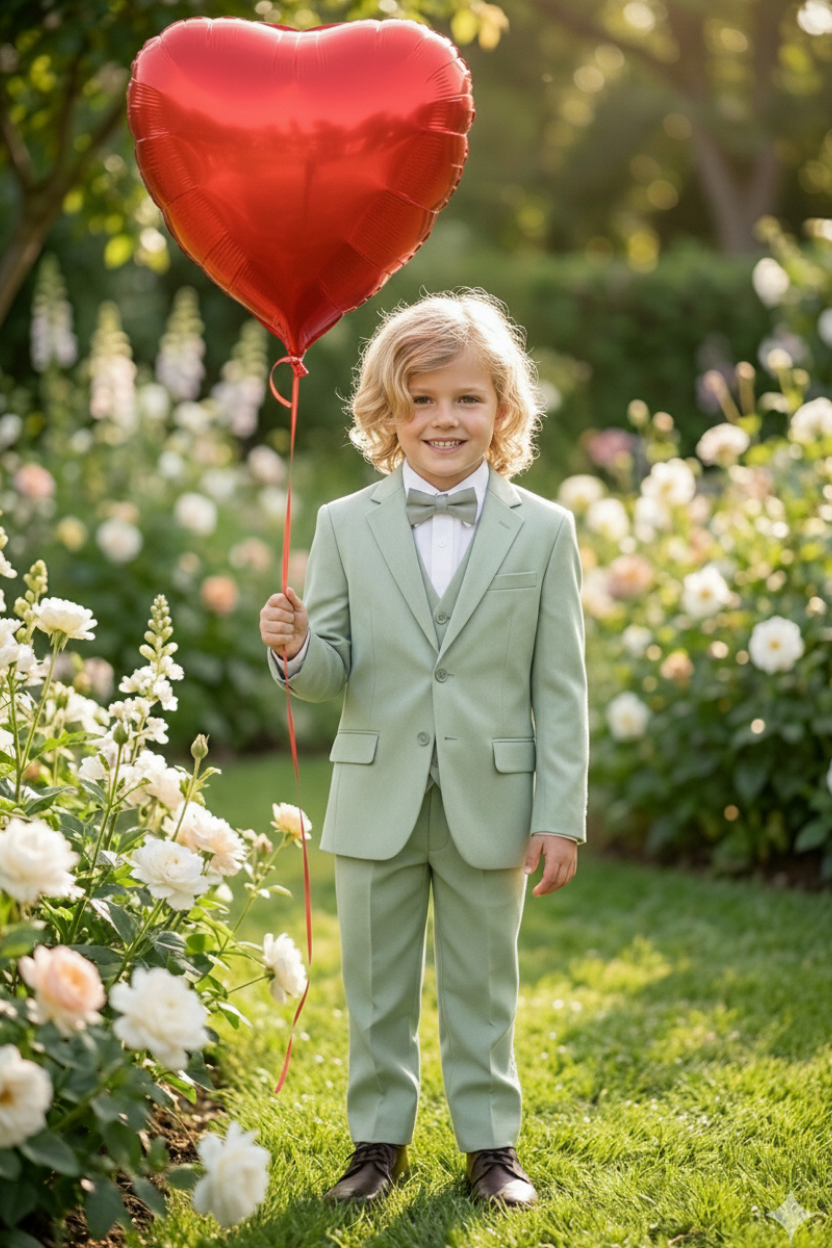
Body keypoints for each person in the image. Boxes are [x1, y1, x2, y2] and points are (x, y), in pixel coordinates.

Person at [259, 290, 588, 1209]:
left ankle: (492, 1148)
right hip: (377, 794)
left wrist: (560, 813)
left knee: (486, 982)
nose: (444, 418)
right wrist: (293, 649)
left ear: (503, 411)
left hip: (495, 798)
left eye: (466, 399)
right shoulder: (343, 523)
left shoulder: (545, 531)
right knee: (376, 984)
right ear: (387, 417)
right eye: (421, 401)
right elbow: (331, 672)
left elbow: (560, 687)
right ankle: (377, 1144)